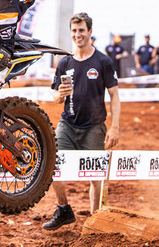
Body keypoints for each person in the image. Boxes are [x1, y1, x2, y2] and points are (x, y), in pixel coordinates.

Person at [43, 12, 120, 231]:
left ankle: (94, 223)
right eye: (74, 31)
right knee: (53, 165)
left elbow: (114, 95)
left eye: (82, 30)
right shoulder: (65, 62)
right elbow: (55, 96)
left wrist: (114, 127)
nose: (78, 35)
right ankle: (63, 209)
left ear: (90, 32)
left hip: (94, 127)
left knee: (95, 176)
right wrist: (59, 94)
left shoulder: (103, 61)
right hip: (67, 124)